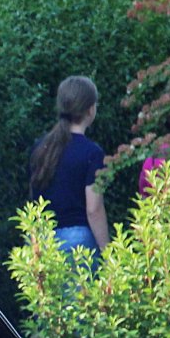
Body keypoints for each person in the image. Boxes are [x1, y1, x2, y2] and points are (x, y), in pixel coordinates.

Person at [29, 75, 109, 256]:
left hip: (43, 241)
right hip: (78, 242)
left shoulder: (40, 148)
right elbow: (94, 209)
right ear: (90, 110)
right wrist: (108, 252)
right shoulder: (92, 153)